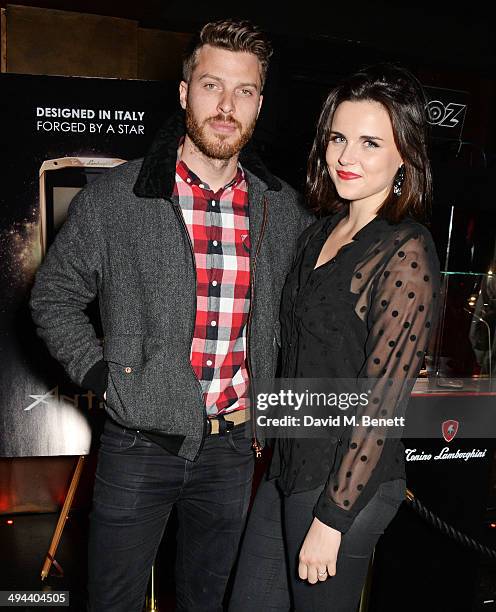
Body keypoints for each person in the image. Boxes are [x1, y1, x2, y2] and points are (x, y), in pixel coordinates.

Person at [29, 19, 311, 612]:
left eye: (244, 91)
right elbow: (53, 295)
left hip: (234, 451)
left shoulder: (283, 211)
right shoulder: (117, 198)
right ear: (184, 93)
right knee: (114, 602)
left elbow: (307, 314)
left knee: (208, 602)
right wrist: (106, 378)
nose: (226, 106)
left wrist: (276, 399)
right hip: (138, 445)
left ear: (260, 104)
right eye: (212, 86)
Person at [229, 63, 441, 611]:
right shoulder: (321, 231)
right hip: (289, 465)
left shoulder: (406, 249)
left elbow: (383, 398)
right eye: (338, 138)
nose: (347, 157)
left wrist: (332, 517)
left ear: (404, 156)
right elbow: (300, 351)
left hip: (344, 483)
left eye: (371, 142)